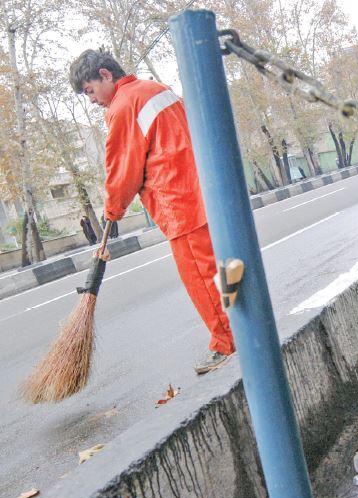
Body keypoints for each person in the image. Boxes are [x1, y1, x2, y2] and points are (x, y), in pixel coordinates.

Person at [69, 49, 235, 374]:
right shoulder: (156, 90)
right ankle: (244, 328)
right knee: (224, 269)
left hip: (179, 202)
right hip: (208, 191)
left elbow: (123, 169)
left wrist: (113, 209)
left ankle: (225, 344)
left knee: (202, 278)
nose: (91, 100)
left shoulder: (121, 107)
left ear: (105, 75)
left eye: (89, 90)